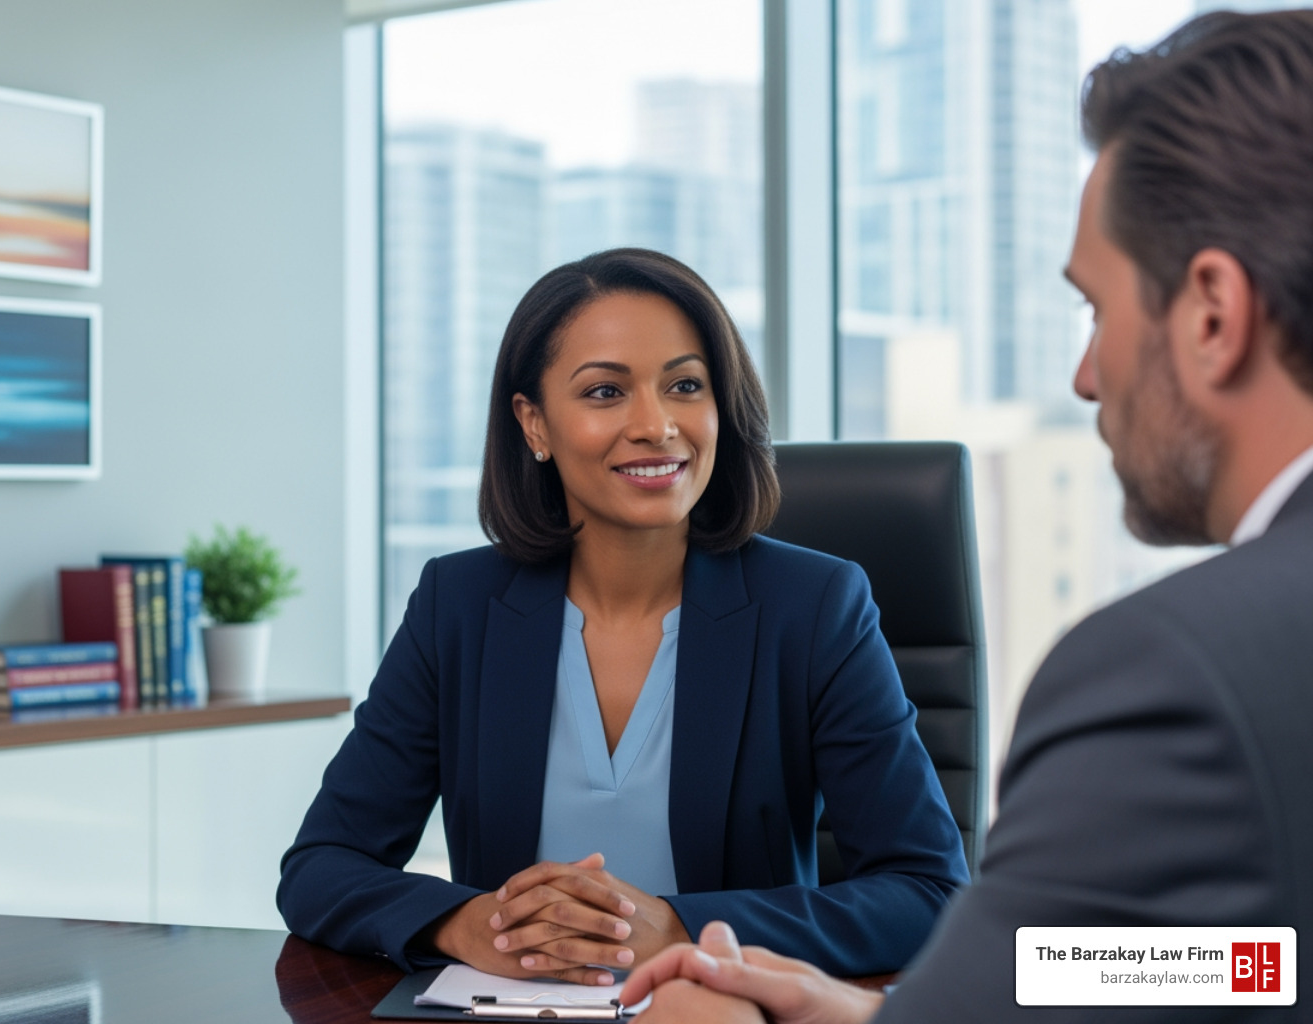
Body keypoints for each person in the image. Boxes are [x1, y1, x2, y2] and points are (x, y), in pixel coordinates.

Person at [621, 10, 1313, 1023]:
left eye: (1096, 310)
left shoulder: (1176, 672)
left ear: (1212, 313)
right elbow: (1261, 960)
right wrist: (877, 1014)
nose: (1085, 375)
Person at [278, 248, 967, 984]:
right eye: (606, 392)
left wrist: (679, 928)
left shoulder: (815, 607)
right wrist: (465, 922)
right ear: (534, 423)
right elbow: (321, 866)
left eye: (685, 385)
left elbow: (928, 892)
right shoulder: (460, 606)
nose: (656, 424)